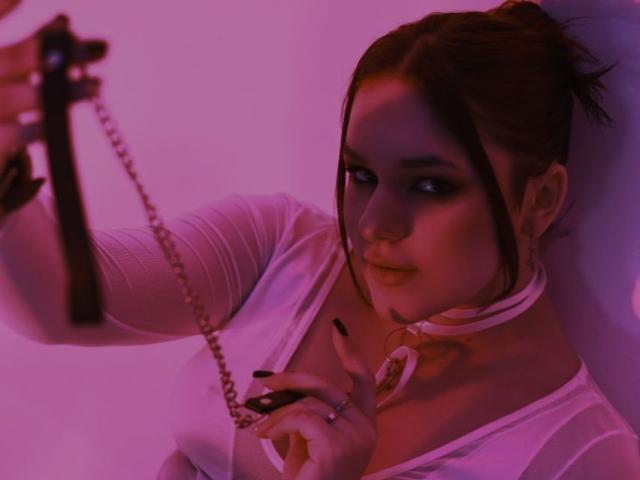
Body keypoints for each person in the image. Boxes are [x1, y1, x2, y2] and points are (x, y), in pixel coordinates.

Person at [1, 0, 639, 478]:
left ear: (540, 199)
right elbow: (63, 302)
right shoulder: (282, 246)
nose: (373, 224)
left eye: (430, 185)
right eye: (361, 175)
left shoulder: (583, 458)